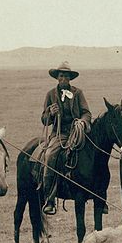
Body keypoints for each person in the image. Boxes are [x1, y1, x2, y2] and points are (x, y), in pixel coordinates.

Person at [39, 62, 92, 215]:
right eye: (61, 76)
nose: (63, 79)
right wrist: (50, 113)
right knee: (49, 156)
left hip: (77, 131)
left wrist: (82, 121)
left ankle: (99, 193)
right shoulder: (50, 94)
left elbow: (86, 112)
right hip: (59, 134)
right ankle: (49, 198)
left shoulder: (78, 93)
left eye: (66, 76)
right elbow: (44, 119)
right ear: (57, 78)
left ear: (70, 79)